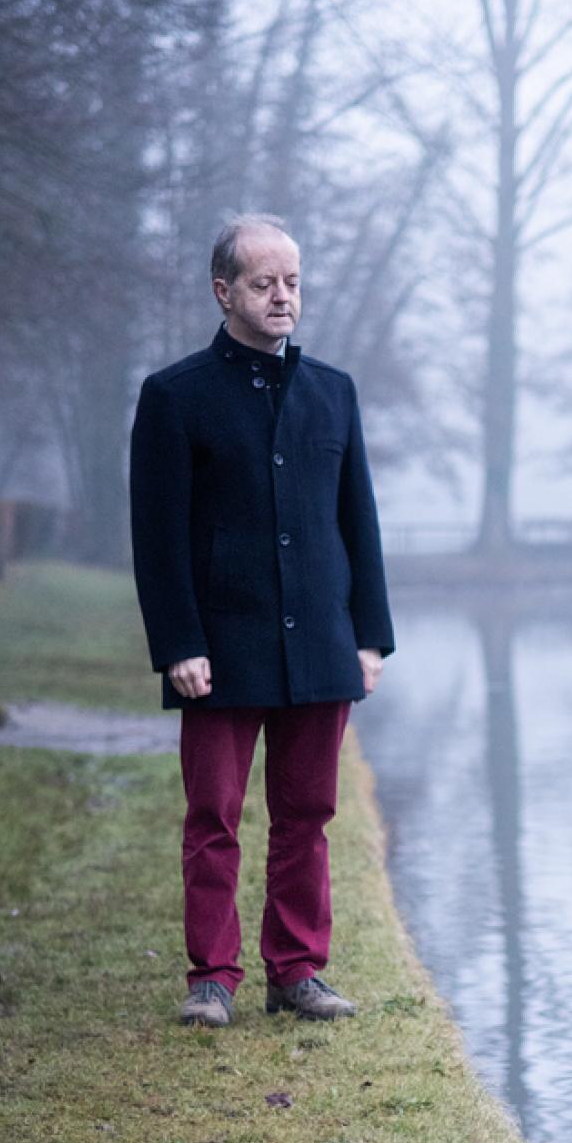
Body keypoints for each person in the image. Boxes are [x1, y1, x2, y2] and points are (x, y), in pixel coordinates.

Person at [129, 212, 394, 1027]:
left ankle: (297, 972)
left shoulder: (334, 393)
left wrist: (369, 636)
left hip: (320, 643)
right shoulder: (175, 397)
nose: (283, 297)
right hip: (220, 645)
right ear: (224, 291)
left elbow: (360, 524)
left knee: (307, 818)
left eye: (292, 282)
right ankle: (212, 978)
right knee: (213, 820)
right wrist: (178, 644)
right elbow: (157, 535)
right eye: (263, 283)